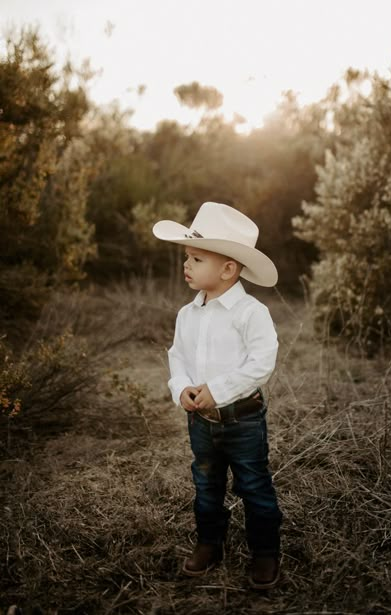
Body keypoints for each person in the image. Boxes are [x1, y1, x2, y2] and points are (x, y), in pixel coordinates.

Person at [152, 201, 283, 590]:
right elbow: (178, 357)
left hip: (243, 419)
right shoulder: (186, 315)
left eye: (196, 258)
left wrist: (218, 390)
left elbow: (262, 363)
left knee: (254, 486)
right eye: (187, 257)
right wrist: (183, 389)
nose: (186, 265)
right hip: (201, 422)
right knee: (206, 485)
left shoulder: (250, 312)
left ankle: (265, 552)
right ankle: (210, 542)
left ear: (228, 269)